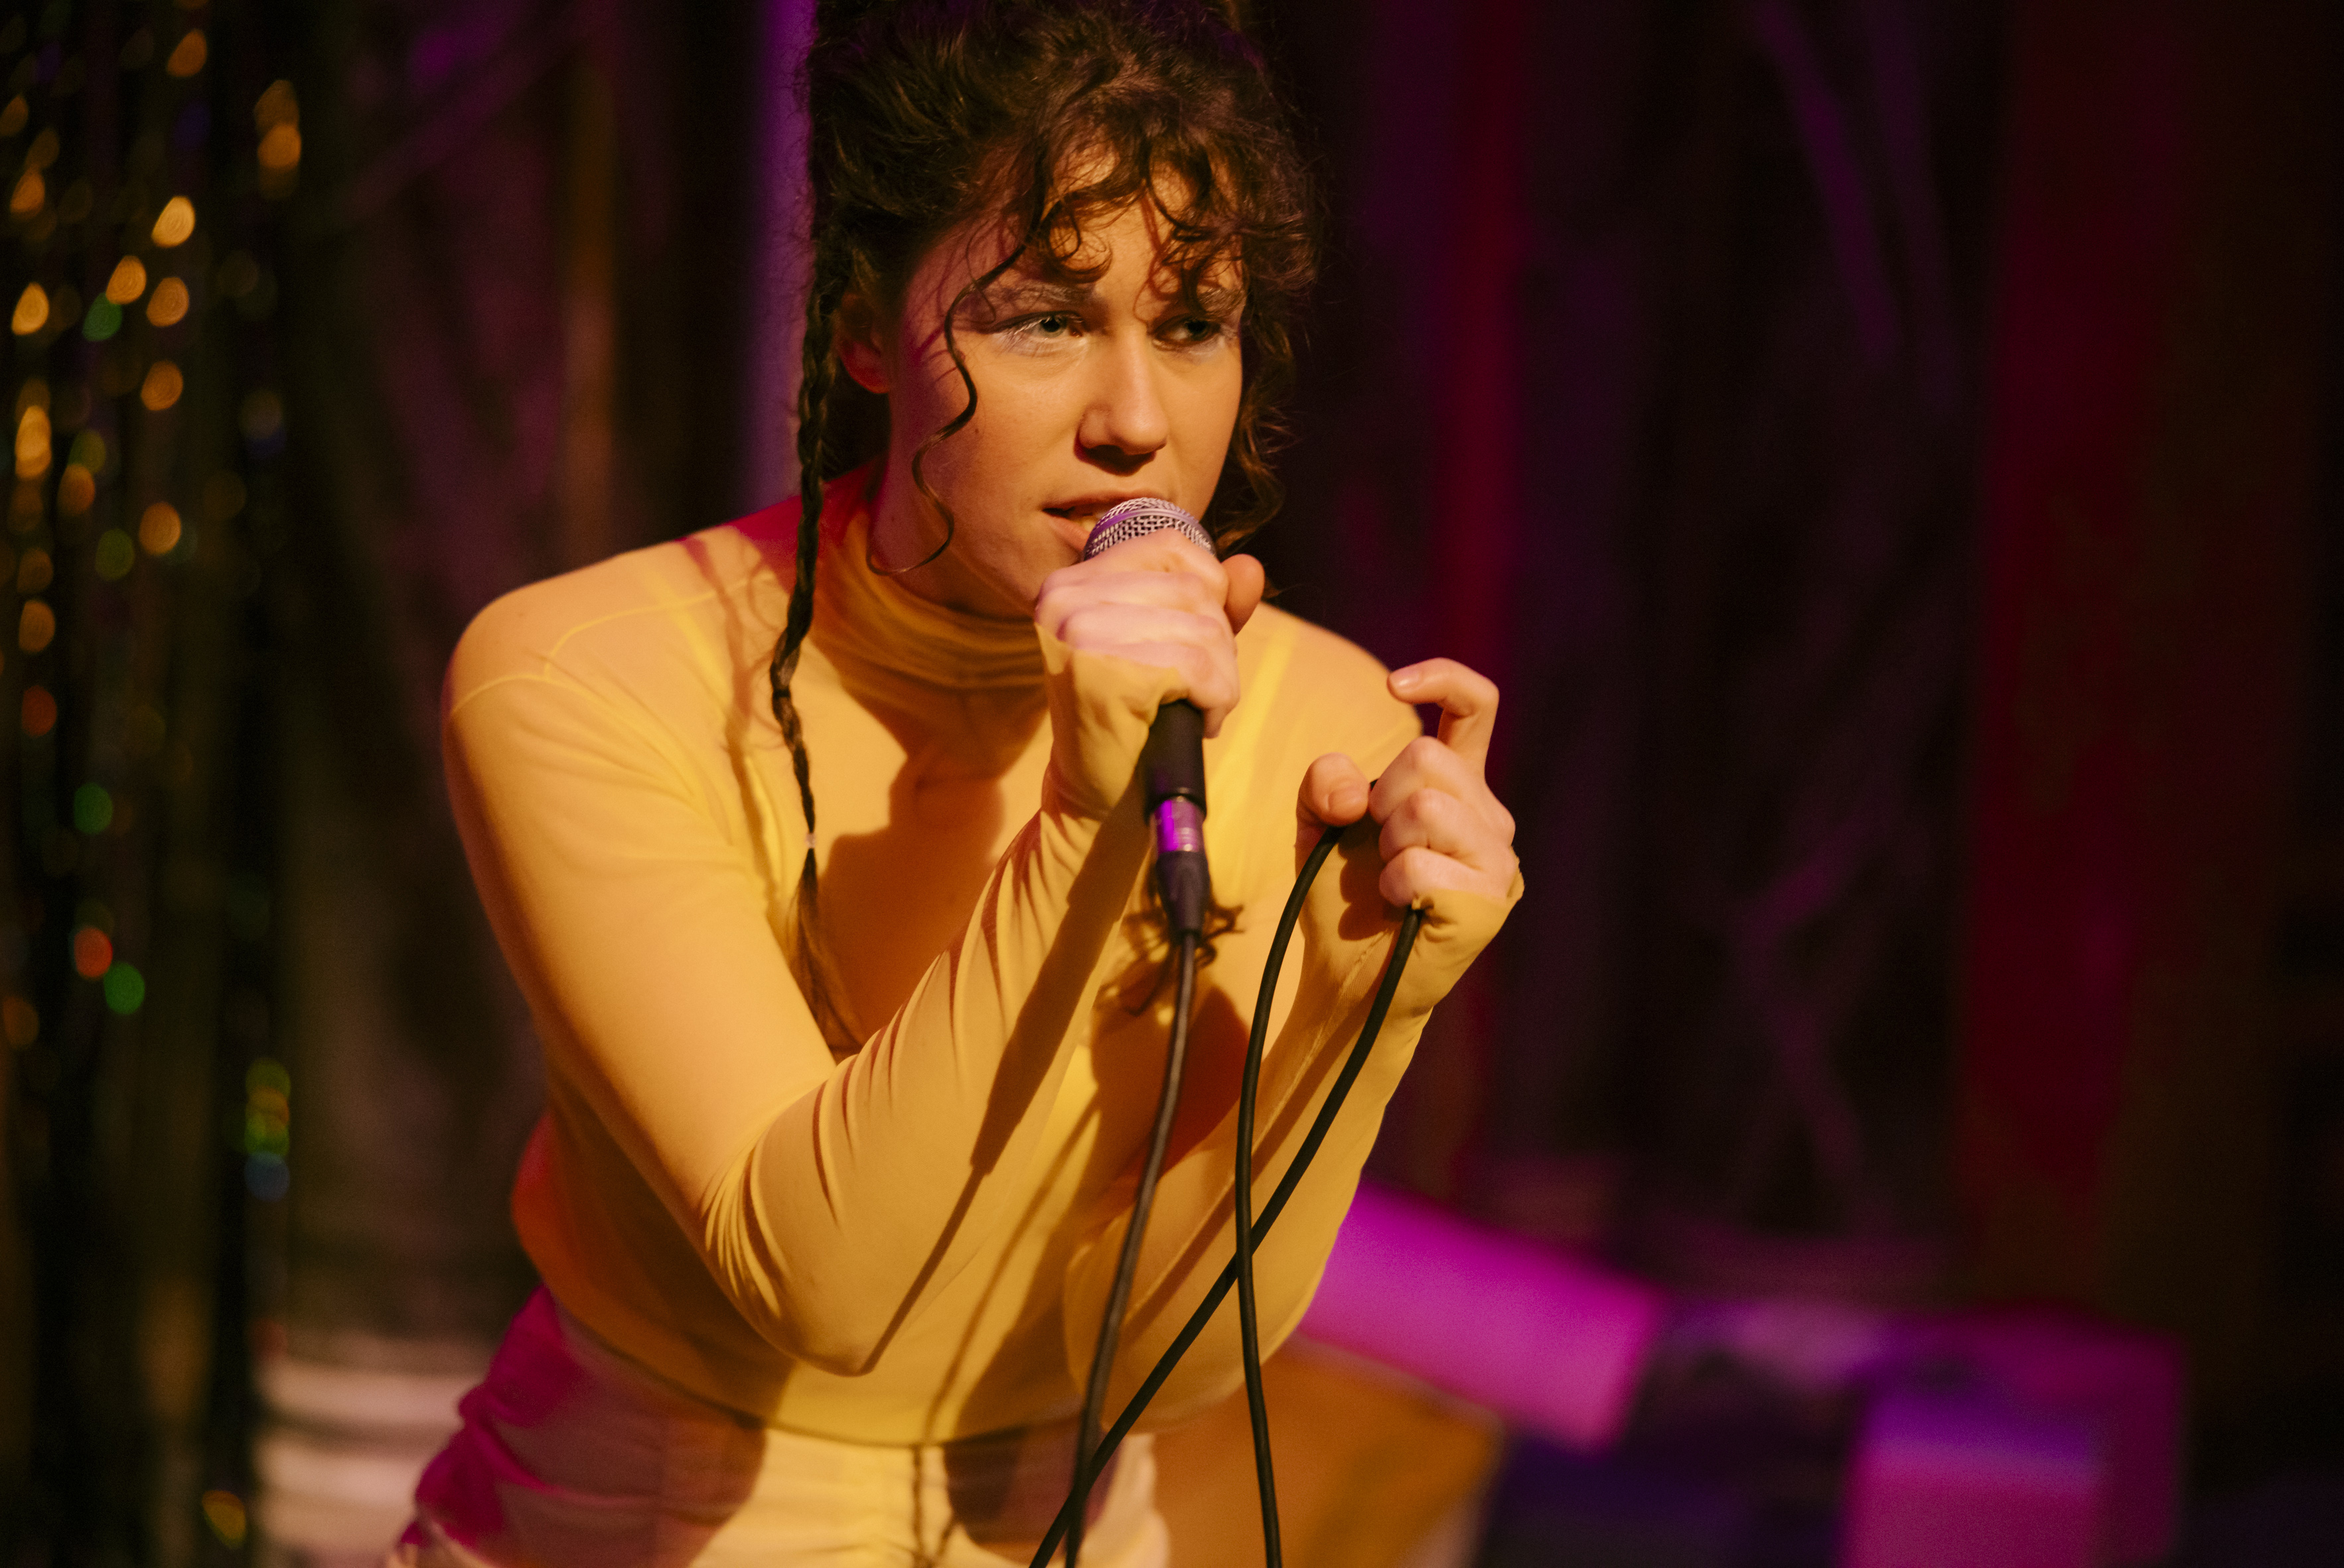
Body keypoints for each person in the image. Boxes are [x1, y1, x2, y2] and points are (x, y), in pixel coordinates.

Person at [395, 1, 1519, 1563]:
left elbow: (1171, 1359)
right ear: (864, 329)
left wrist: (1358, 1013)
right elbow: (823, 1287)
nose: (1135, 421)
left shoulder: (1317, 713)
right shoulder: (588, 675)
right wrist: (1083, 822)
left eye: (1190, 324)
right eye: (1043, 320)